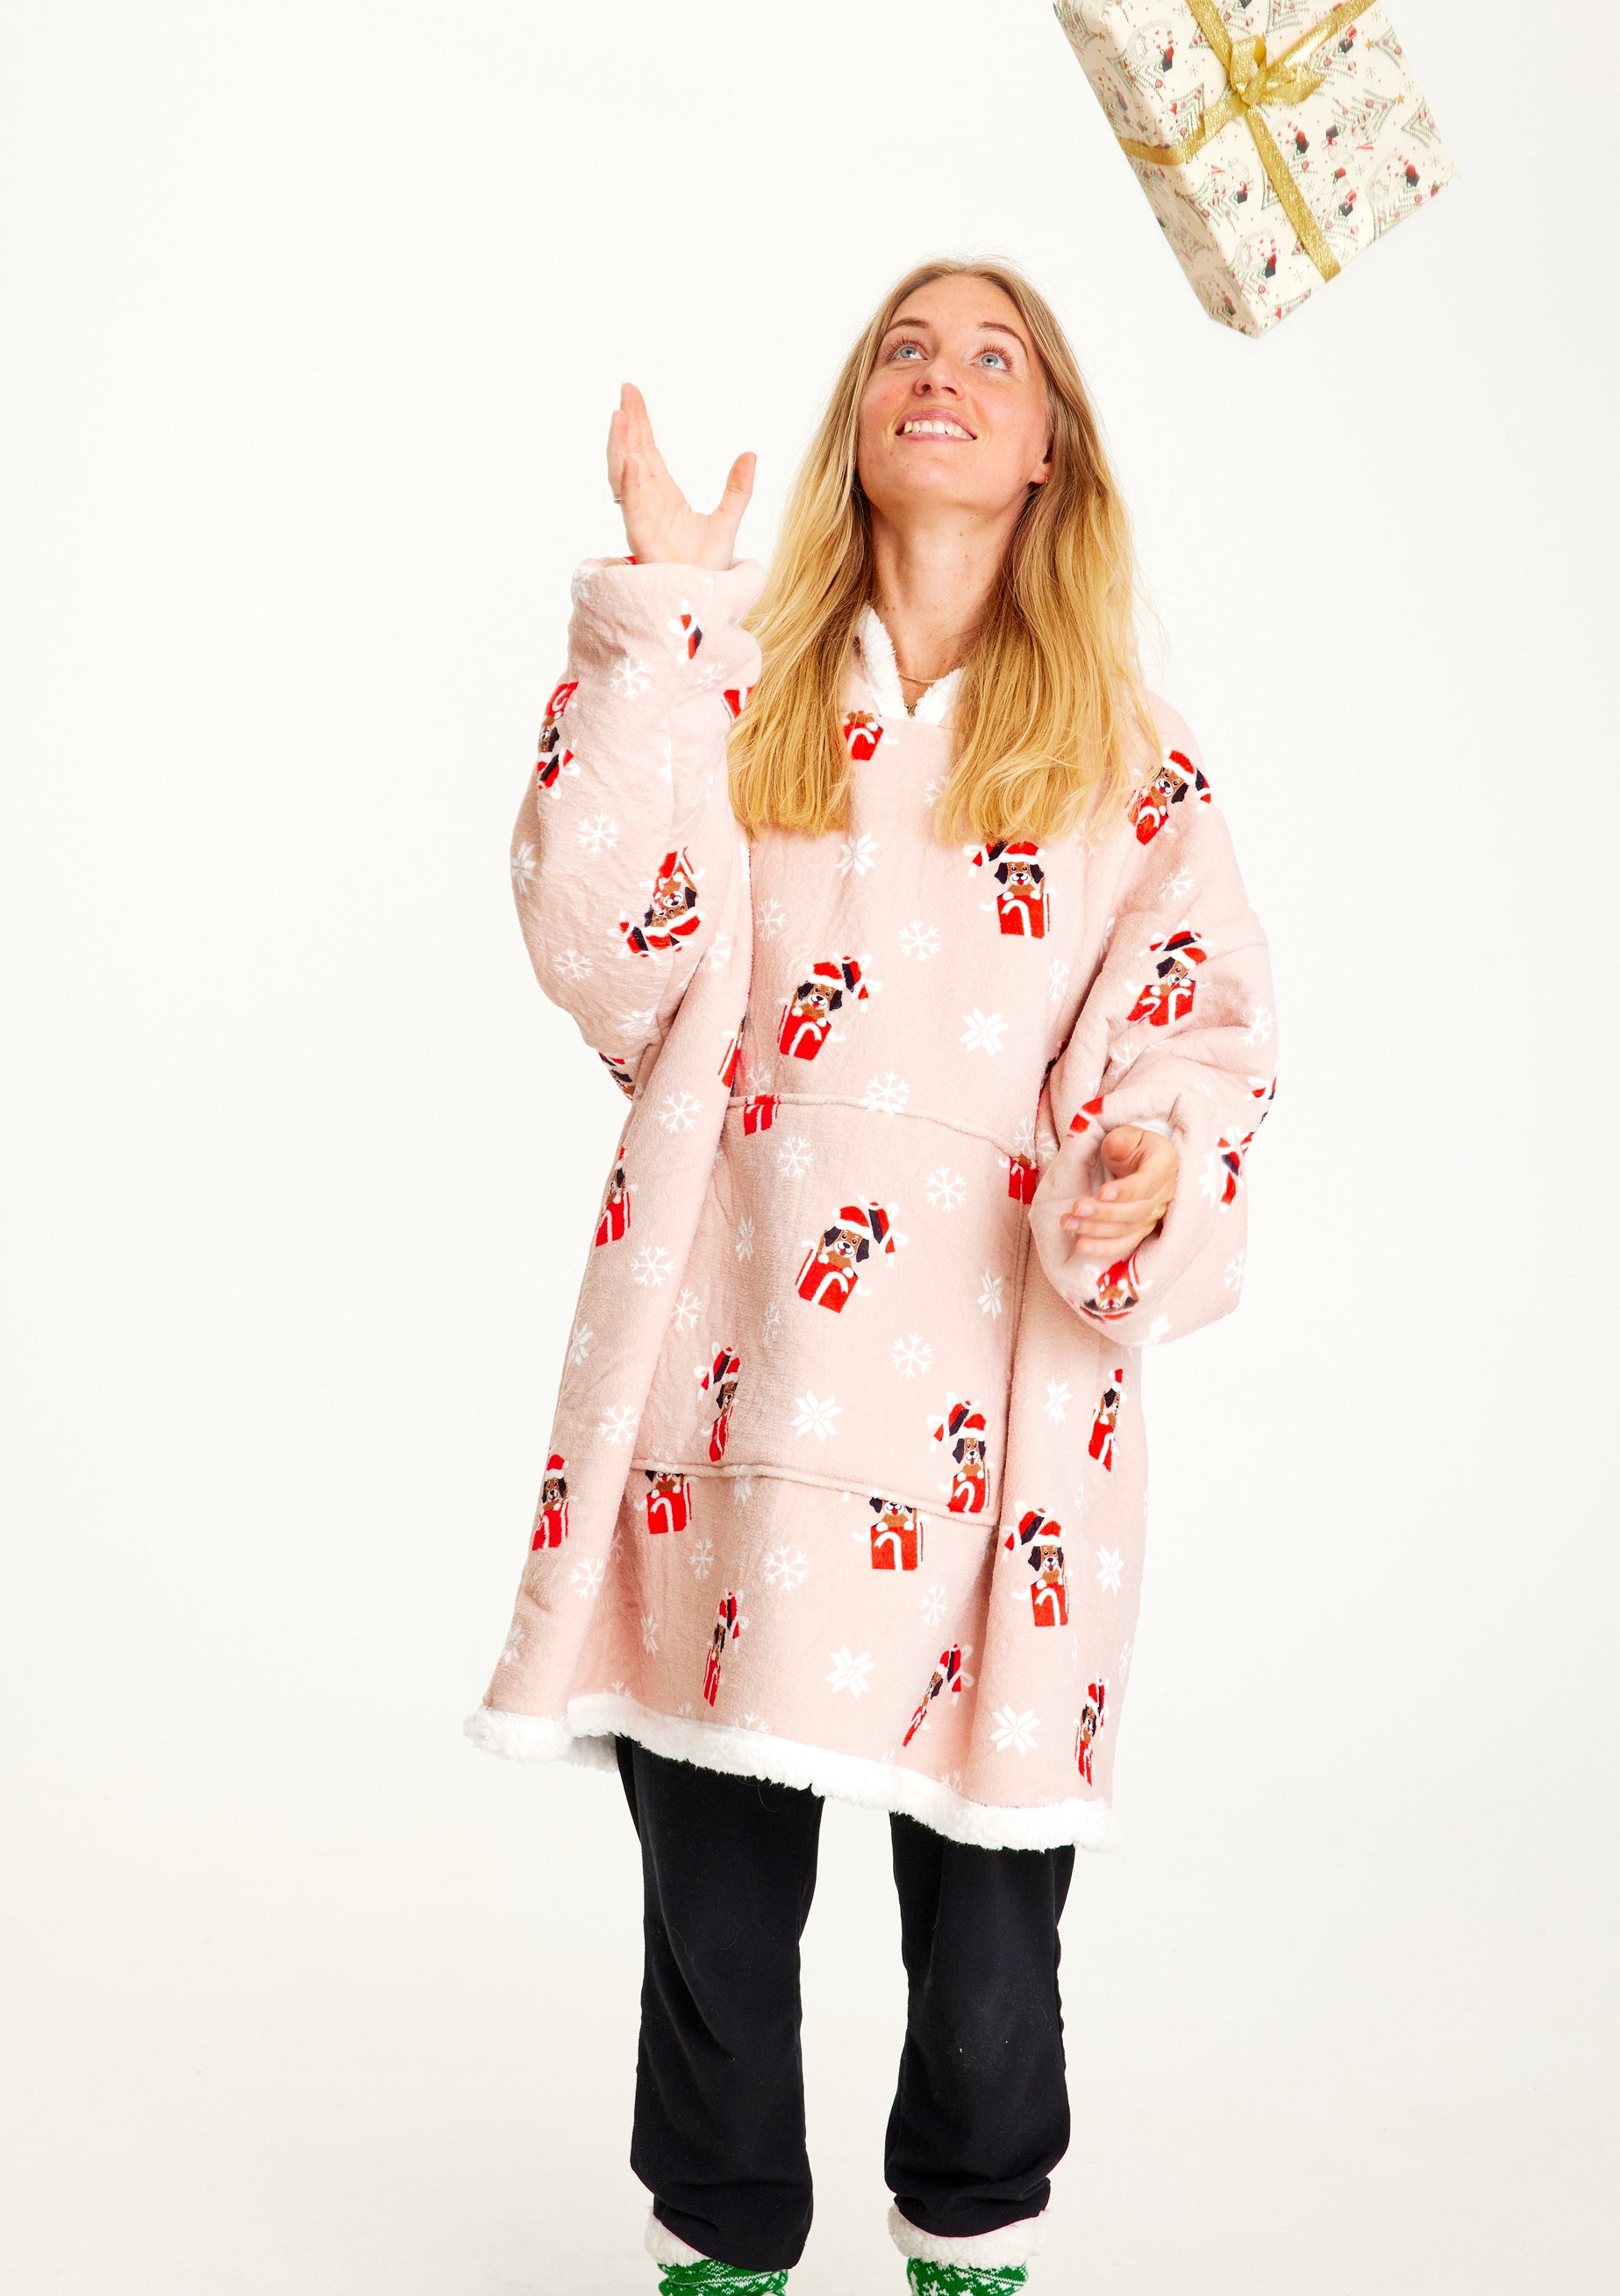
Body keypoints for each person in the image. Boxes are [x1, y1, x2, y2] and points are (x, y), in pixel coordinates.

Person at [467, 259, 1276, 2294]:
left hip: (993, 1445)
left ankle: (967, 2247)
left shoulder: (1125, 758)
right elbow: (601, 946)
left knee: (990, 1958)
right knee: (717, 1925)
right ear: (857, 423)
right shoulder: (734, 696)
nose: (943, 373)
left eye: (995, 355)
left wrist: (1150, 1157)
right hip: (735, 1394)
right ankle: (723, 2253)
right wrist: (660, 614)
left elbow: (1198, 1032)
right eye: (905, 346)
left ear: (1050, 449)